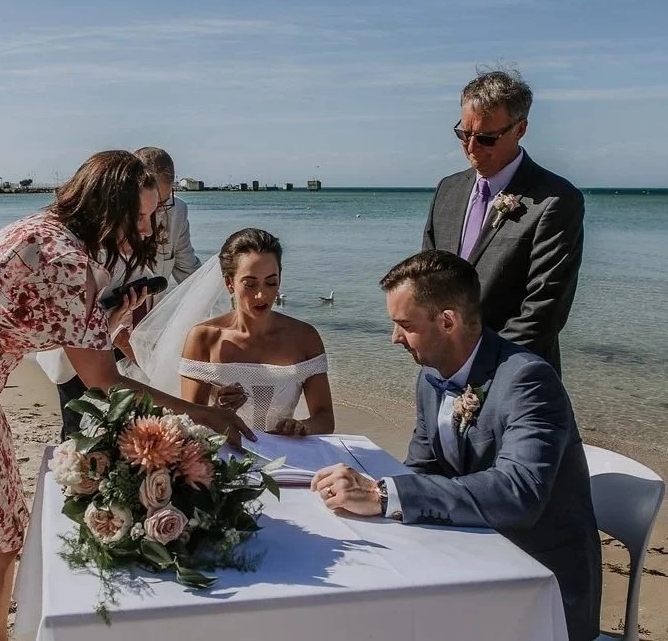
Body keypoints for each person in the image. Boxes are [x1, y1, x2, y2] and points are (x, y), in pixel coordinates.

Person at [0, 150, 253, 641]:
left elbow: (63, 342)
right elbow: (103, 381)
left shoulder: (49, 234)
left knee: (3, 533)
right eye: (145, 216)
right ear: (110, 205)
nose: (150, 231)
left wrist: (108, 320)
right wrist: (201, 415)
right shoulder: (66, 259)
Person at [311, 250, 600, 640]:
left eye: (404, 325)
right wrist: (385, 499)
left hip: (539, 583)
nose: (394, 337)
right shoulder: (431, 378)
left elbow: (520, 492)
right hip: (470, 555)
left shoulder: (528, 380)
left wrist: (381, 492)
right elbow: (423, 469)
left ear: (448, 321)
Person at [422, 68, 584, 375]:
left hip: (515, 375)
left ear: (519, 129)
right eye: (464, 134)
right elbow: (426, 281)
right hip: (441, 370)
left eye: (485, 138)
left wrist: (477, 366)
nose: (471, 148)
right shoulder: (448, 189)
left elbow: (543, 311)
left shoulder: (557, 200)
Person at [45, 146, 203, 440]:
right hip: (91, 327)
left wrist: (221, 301)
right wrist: (120, 333)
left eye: (163, 203)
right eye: (146, 209)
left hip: (136, 325)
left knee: (130, 425)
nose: (153, 220)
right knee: (80, 417)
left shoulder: (175, 212)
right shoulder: (80, 248)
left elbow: (187, 266)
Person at [177, 228, 335, 435]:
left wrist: (303, 426)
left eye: (271, 282)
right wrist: (218, 411)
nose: (261, 295)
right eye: (250, 284)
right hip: (224, 457)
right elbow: (188, 424)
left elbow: (325, 419)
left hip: (287, 457)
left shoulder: (305, 338)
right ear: (229, 283)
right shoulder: (204, 338)